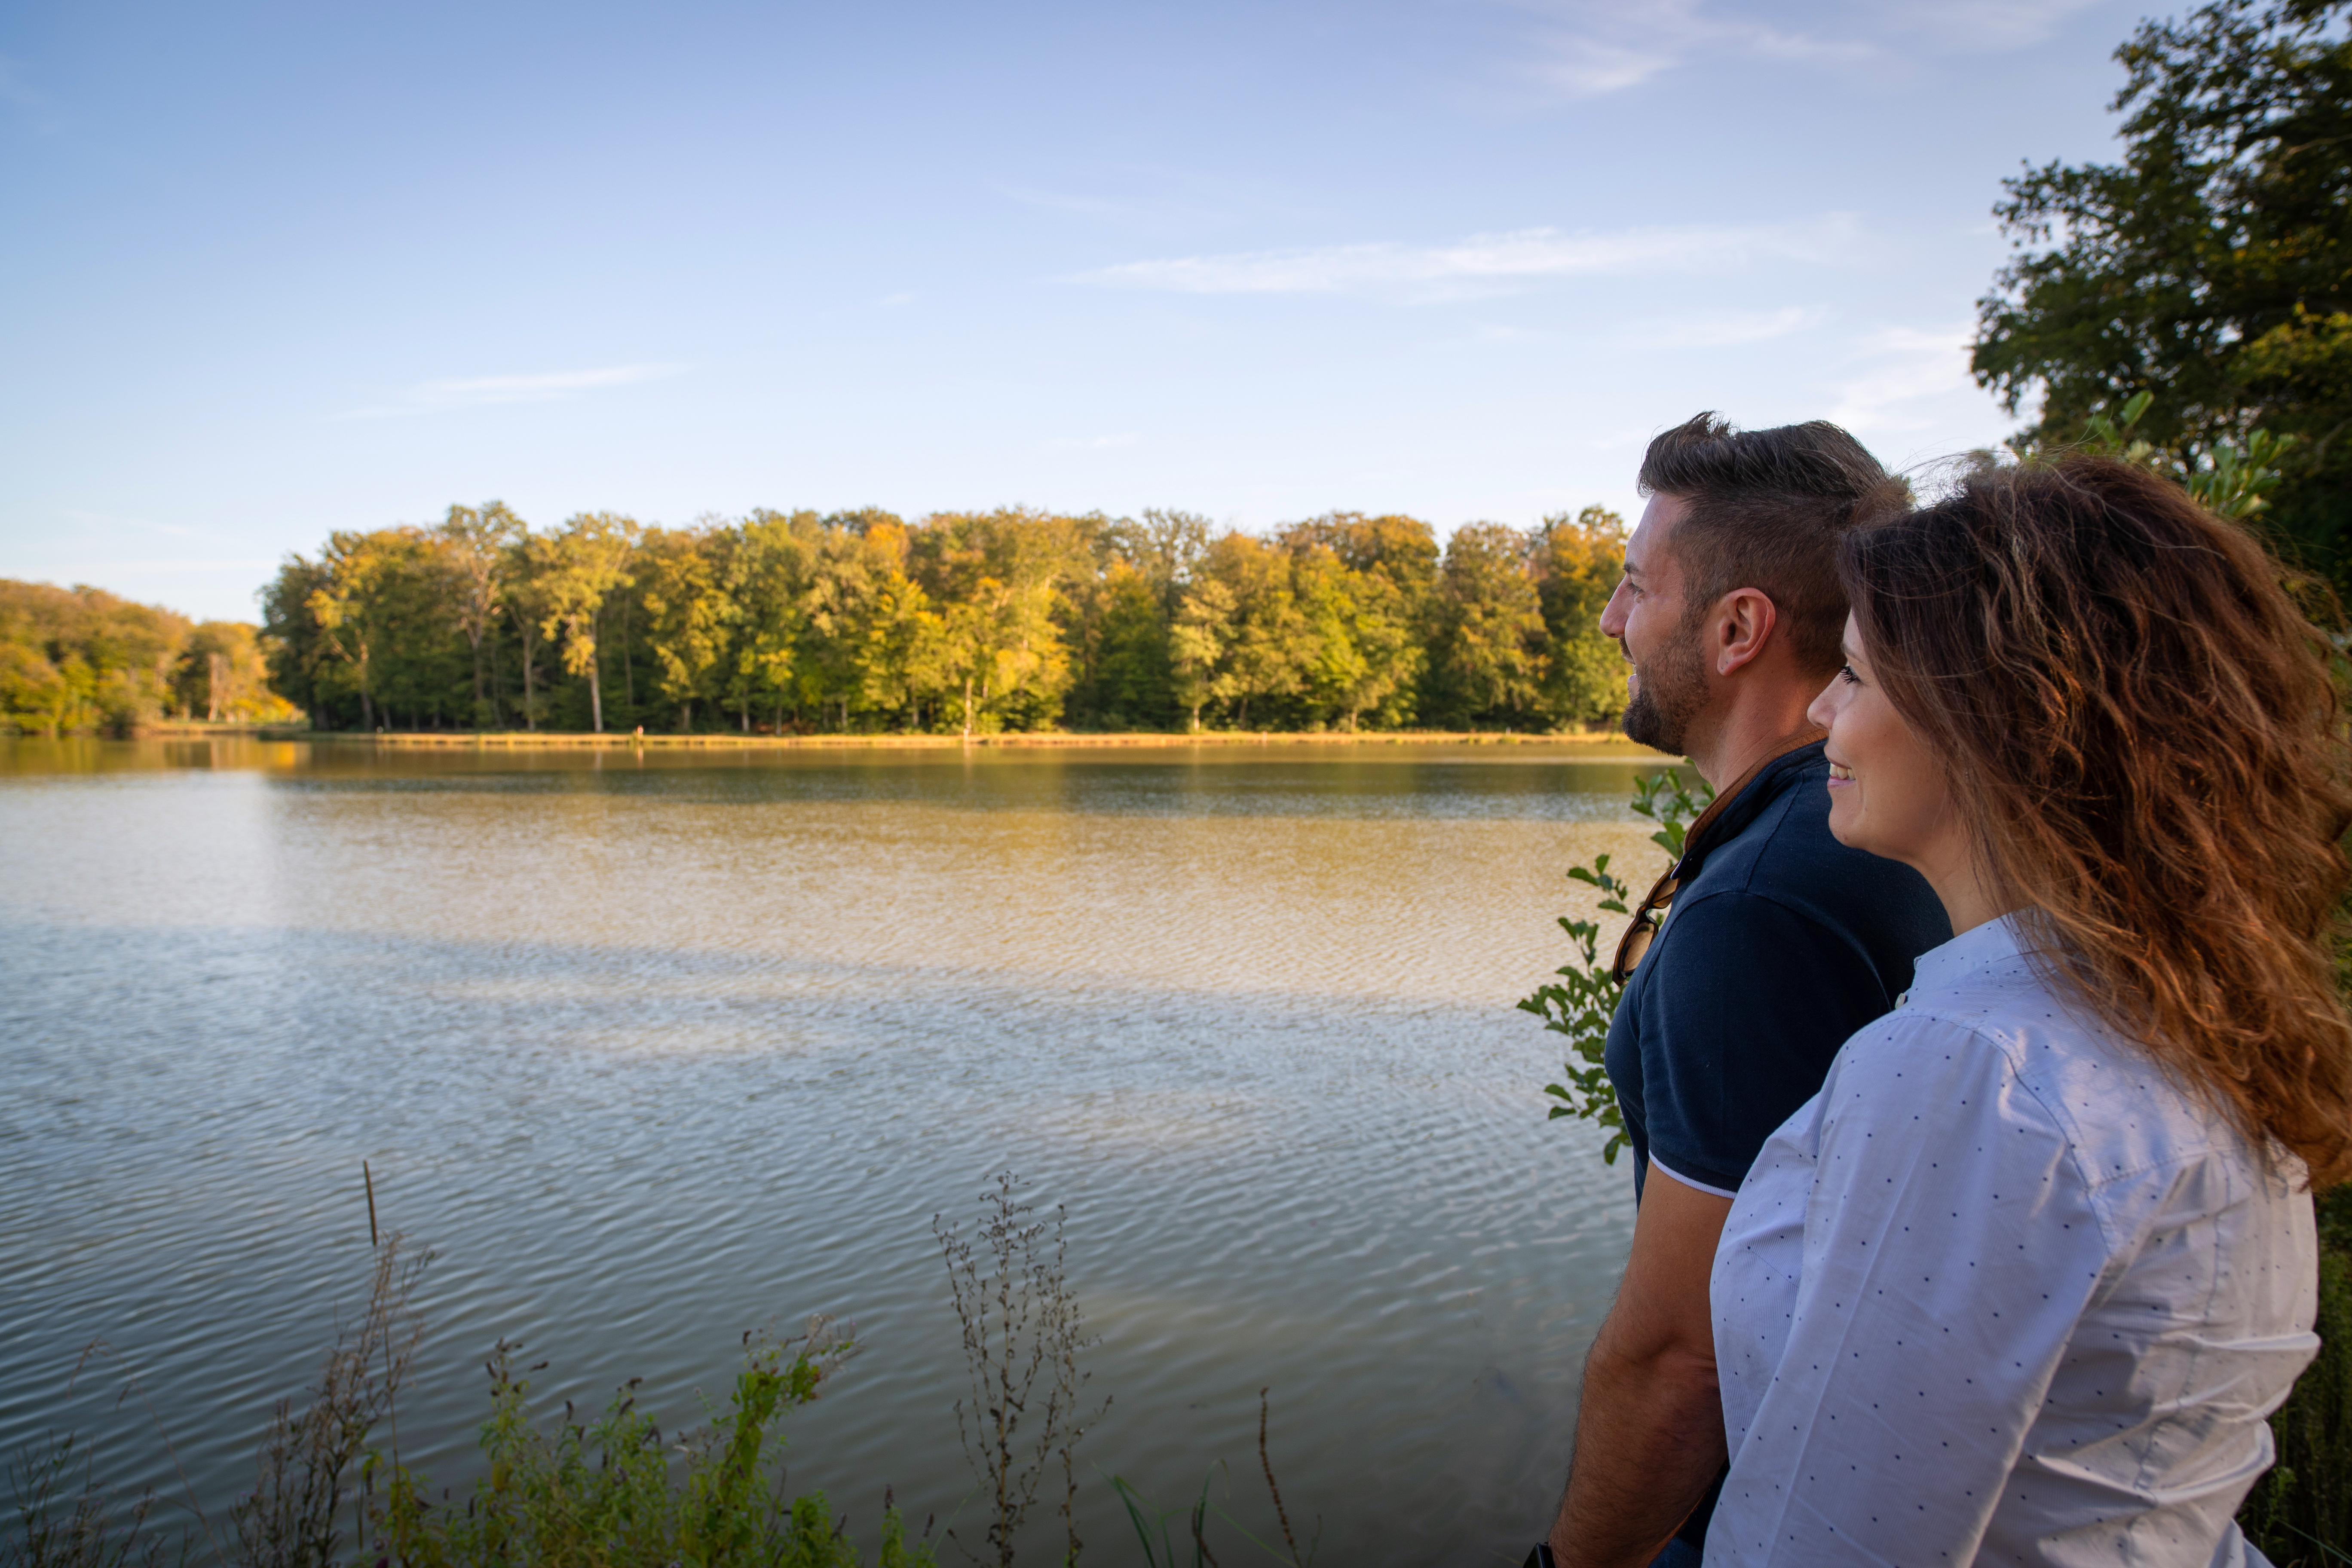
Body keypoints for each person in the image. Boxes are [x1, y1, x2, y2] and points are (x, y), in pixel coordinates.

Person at [1706, 456, 2351, 1564]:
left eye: (1854, 676)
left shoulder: (1975, 1069)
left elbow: (1829, 1544)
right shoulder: (2186, 1008)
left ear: (1990, 719)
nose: (1818, 712)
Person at [1542, 415, 1951, 1567]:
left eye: (1635, 587)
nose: (1614, 620)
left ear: (1737, 628)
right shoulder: (1876, 834)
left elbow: (1685, 1353)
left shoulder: (1762, 908)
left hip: (1755, 1513)